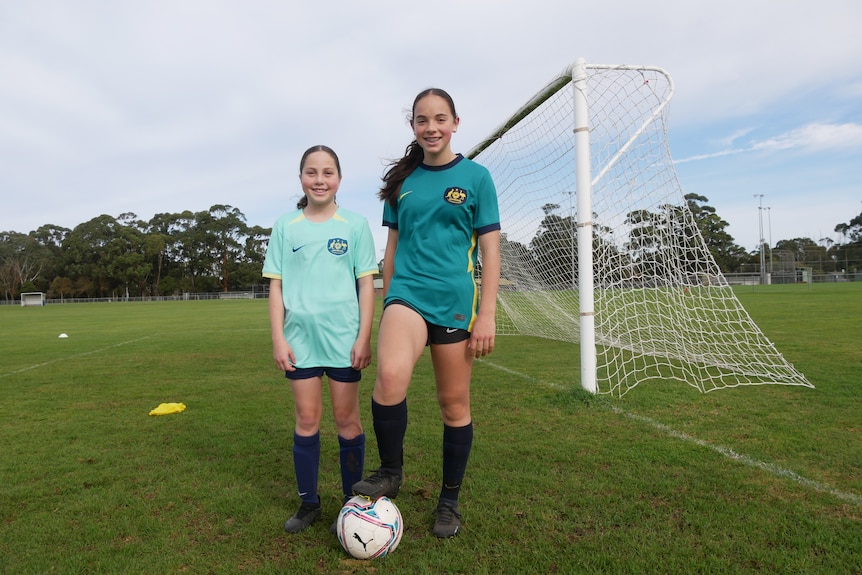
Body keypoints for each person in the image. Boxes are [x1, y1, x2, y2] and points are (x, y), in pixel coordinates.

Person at [352, 88, 501, 538]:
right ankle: (390, 471)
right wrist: (390, 297)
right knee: (390, 378)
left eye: (440, 119)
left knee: (453, 405)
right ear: (413, 126)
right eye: (422, 120)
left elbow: (491, 250)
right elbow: (392, 248)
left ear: (455, 123)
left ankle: (449, 502)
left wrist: (487, 314)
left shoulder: (477, 178)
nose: (431, 127)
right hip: (407, 295)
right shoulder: (402, 182)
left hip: (456, 302)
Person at [263, 145, 378, 534]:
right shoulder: (286, 226)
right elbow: (276, 288)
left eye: (327, 173)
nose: (319, 180)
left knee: (348, 421)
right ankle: (308, 504)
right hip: (301, 341)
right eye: (312, 173)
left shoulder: (355, 225)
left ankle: (351, 506)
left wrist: (364, 336)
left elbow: (366, 285)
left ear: (339, 180)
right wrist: (279, 338)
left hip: (345, 341)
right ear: (301, 179)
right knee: (307, 419)